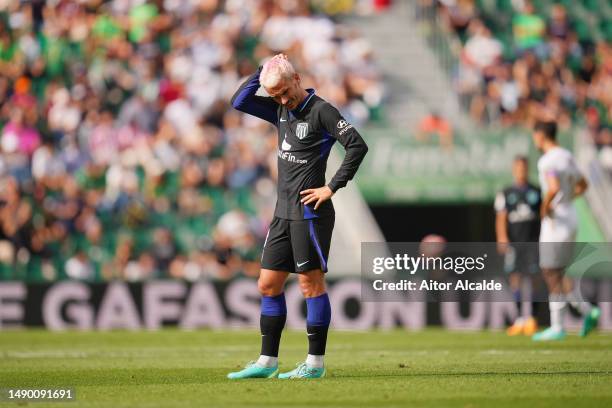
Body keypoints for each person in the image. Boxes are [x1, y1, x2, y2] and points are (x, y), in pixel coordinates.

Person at [227, 54, 368, 378]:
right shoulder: (279, 109)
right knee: (267, 284)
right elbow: (240, 100)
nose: (281, 99)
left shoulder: (322, 111)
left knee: (310, 284)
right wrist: (263, 69)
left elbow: (357, 146)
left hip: (310, 213)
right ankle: (267, 362)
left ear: (296, 79)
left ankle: (315, 364)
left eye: (284, 91)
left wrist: (331, 187)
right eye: (275, 94)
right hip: (282, 213)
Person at [530, 121, 600, 341]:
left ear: (541, 135)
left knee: (550, 271)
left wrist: (545, 206)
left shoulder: (547, 160)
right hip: (571, 215)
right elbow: (584, 185)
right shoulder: (567, 156)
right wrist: (567, 200)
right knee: (560, 272)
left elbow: (553, 188)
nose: (534, 140)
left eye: (535, 135)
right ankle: (588, 311)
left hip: (556, 220)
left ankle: (557, 326)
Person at [494, 156, 541, 336]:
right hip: (515, 242)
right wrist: (502, 237)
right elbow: (501, 217)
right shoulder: (506, 192)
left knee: (534, 278)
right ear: (514, 170)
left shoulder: (536, 191)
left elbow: (543, 215)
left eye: (523, 167)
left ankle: (532, 319)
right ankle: (520, 318)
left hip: (533, 241)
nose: (521, 171)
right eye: (518, 168)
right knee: (515, 278)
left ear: (527, 169)